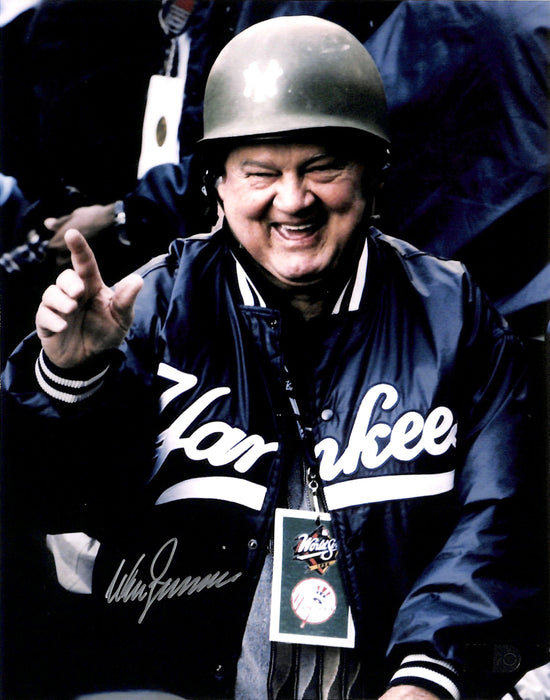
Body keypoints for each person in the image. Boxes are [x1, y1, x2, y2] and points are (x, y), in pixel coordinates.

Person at [2, 16, 546, 700]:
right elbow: (42, 508)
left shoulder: (452, 313)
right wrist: (67, 381)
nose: (294, 201)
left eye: (323, 167)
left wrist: (428, 674)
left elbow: (499, 520)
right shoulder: (151, 306)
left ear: (374, 175)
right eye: (261, 173)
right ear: (216, 187)